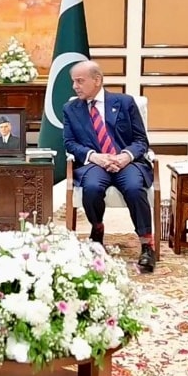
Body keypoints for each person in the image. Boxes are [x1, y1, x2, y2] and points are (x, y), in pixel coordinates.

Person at [62, 60, 156, 273]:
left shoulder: (124, 102)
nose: (75, 86)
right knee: (92, 188)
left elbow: (141, 140)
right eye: (73, 82)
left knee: (134, 188)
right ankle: (97, 232)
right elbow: (70, 143)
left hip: (126, 162)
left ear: (97, 80)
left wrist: (125, 156)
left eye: (79, 81)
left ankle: (147, 245)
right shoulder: (71, 108)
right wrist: (95, 157)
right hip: (95, 163)